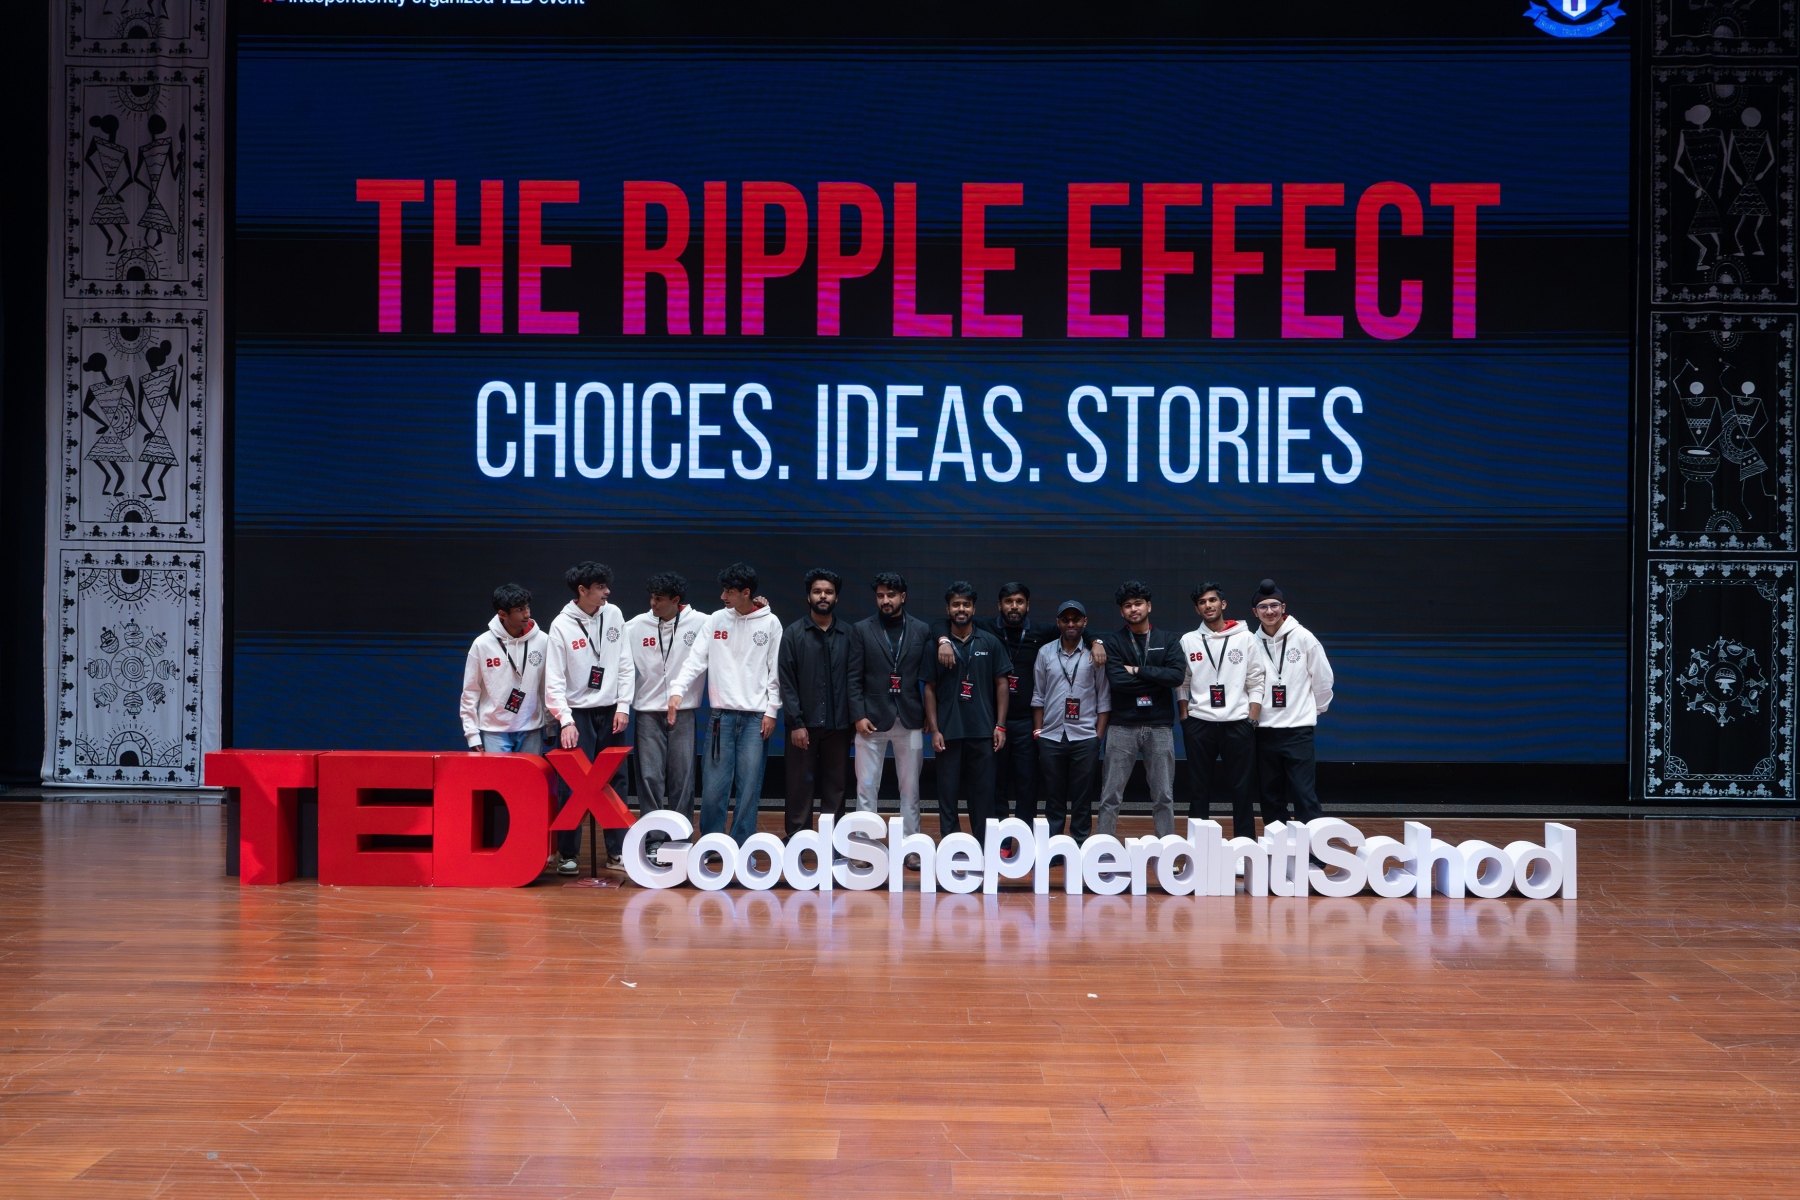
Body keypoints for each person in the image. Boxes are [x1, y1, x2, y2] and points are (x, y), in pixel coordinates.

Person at [668, 563, 782, 845]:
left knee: (749, 788)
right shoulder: (716, 620)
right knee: (714, 787)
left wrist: (771, 711)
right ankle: (712, 844)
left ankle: (742, 846)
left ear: (746, 593)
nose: (723, 596)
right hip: (721, 717)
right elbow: (696, 659)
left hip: (756, 718)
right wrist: (678, 690)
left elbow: (775, 671)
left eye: (729, 591)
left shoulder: (770, 623)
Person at [545, 561, 635, 872]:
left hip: (611, 711)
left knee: (616, 781)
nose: (607, 592)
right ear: (582, 590)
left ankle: (617, 852)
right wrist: (565, 720)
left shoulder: (614, 614)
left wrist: (623, 706)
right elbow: (554, 679)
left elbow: (625, 663)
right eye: (600, 587)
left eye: (606, 585)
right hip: (577, 716)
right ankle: (568, 853)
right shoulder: (561, 625)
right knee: (572, 785)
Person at [1096, 581, 1186, 837]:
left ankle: (1166, 849)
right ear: (1121, 611)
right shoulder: (1113, 642)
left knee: (1164, 796)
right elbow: (1118, 681)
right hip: (1122, 726)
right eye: (1127, 605)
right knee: (1110, 796)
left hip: (1159, 726)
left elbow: (1175, 676)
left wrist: (1137, 670)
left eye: (1138, 604)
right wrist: (1157, 679)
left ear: (1149, 606)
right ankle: (1104, 851)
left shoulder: (1168, 640)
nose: (1133, 609)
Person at [923, 582, 1012, 837]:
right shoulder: (935, 646)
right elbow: (929, 688)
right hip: (948, 732)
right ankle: (951, 848)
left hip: (983, 732)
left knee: (983, 796)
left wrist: (1000, 725)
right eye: (956, 605)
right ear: (947, 609)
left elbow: (1002, 683)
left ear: (974, 608)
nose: (961, 609)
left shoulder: (990, 642)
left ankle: (983, 847)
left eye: (966, 604)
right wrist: (935, 730)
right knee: (947, 795)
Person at [846, 572, 932, 836]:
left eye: (891, 595)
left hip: (911, 720)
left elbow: (931, 677)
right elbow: (853, 676)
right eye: (880, 595)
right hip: (870, 721)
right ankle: (864, 842)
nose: (885, 600)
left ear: (902, 597)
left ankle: (910, 844)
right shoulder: (862, 629)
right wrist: (858, 715)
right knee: (866, 786)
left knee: (911, 788)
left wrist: (930, 715)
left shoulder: (921, 630)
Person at [1177, 582, 1264, 841]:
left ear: (1223, 604)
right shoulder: (1188, 640)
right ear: (1197, 609)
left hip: (1238, 723)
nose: (1208, 605)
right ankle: (1197, 848)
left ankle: (1245, 848)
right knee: (1198, 789)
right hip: (1199, 723)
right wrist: (1185, 717)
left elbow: (1256, 680)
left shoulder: (1245, 638)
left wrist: (1252, 719)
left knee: (1242, 790)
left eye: (1212, 600)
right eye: (1202, 602)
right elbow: (1182, 683)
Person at [1250, 579, 1335, 825]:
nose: (1269, 611)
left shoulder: (1304, 637)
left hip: (1298, 731)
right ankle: (1278, 846)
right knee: (1270, 795)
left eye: (1274, 605)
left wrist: (1310, 712)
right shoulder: (1251, 643)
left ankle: (1312, 847)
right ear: (1255, 612)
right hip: (1264, 731)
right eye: (1263, 607)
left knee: (1303, 794)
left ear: (1283, 607)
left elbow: (1323, 680)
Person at [624, 572, 704, 827]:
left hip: (683, 710)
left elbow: (734, 621)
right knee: (649, 777)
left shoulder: (701, 622)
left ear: (675, 600)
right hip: (648, 711)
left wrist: (759, 607)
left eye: (659, 599)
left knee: (683, 777)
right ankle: (653, 836)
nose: (653, 603)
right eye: (652, 597)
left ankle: (680, 835)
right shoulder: (635, 626)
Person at [778, 569, 853, 838]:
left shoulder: (849, 634)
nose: (823, 596)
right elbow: (787, 682)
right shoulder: (793, 633)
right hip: (803, 726)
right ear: (808, 596)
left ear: (836, 598)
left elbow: (855, 679)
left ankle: (833, 844)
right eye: (817, 591)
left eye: (828, 592)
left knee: (836, 788)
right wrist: (796, 723)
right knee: (799, 788)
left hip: (839, 726)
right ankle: (798, 842)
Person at [1031, 600, 1110, 842]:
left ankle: (1079, 846)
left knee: (1082, 798)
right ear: (1058, 623)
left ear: (1085, 622)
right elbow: (1038, 695)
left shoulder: (1095, 654)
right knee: (1053, 797)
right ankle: (1054, 847)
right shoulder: (1045, 652)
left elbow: (1103, 698)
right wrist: (1038, 732)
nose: (1071, 623)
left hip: (1085, 737)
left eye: (1076, 619)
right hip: (1051, 736)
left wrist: (1097, 737)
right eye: (1066, 619)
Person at [459, 583, 550, 755]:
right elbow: (470, 691)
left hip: (531, 728)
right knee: (497, 775)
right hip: (495, 731)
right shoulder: (482, 644)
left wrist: (551, 725)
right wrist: (472, 734)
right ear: (502, 614)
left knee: (531, 775)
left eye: (527, 607)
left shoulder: (543, 641)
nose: (527, 614)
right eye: (519, 610)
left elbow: (547, 687)